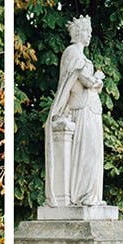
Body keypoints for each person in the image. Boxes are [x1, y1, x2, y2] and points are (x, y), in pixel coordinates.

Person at [44, 15, 105, 207]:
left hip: (92, 109)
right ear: (78, 32)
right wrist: (97, 78)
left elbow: (93, 84)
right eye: (86, 31)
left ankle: (92, 196)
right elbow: (86, 81)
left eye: (90, 32)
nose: (89, 35)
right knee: (86, 153)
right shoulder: (72, 52)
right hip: (81, 110)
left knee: (95, 154)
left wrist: (95, 81)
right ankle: (83, 195)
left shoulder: (82, 56)